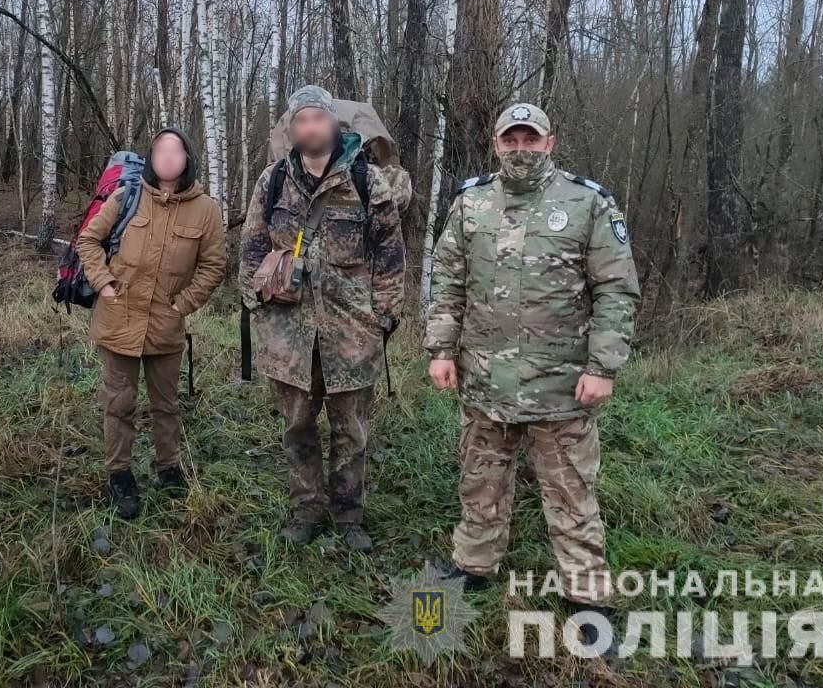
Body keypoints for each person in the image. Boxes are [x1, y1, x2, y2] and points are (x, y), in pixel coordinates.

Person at [424, 102, 639, 637]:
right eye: (510, 139)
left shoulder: (587, 203)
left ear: (550, 142)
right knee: (481, 480)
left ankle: (585, 591)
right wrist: (441, 350)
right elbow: (447, 281)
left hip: (561, 384)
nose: (520, 149)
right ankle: (475, 562)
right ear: (496, 144)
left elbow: (615, 290)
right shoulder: (471, 203)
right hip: (484, 378)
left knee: (570, 491)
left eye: (530, 139)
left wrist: (603, 366)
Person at [240, 86, 406, 552]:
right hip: (288, 333)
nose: (310, 127)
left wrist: (384, 317)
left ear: (334, 124)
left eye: (318, 118)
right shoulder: (272, 180)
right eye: (302, 120)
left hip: (351, 331)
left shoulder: (367, 181)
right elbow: (252, 245)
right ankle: (307, 507)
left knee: (351, 429)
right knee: (297, 426)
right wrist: (256, 300)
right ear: (292, 130)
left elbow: (391, 255)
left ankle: (349, 512)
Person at [76, 128, 226, 519]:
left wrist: (183, 305)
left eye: (176, 150)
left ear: (188, 159)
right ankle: (120, 475)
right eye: (160, 150)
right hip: (118, 323)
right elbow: (88, 241)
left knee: (166, 404)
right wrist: (104, 284)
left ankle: (168, 469)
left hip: (166, 326)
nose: (168, 157)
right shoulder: (127, 197)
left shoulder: (206, 210)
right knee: (118, 404)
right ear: (150, 158)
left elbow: (213, 267)